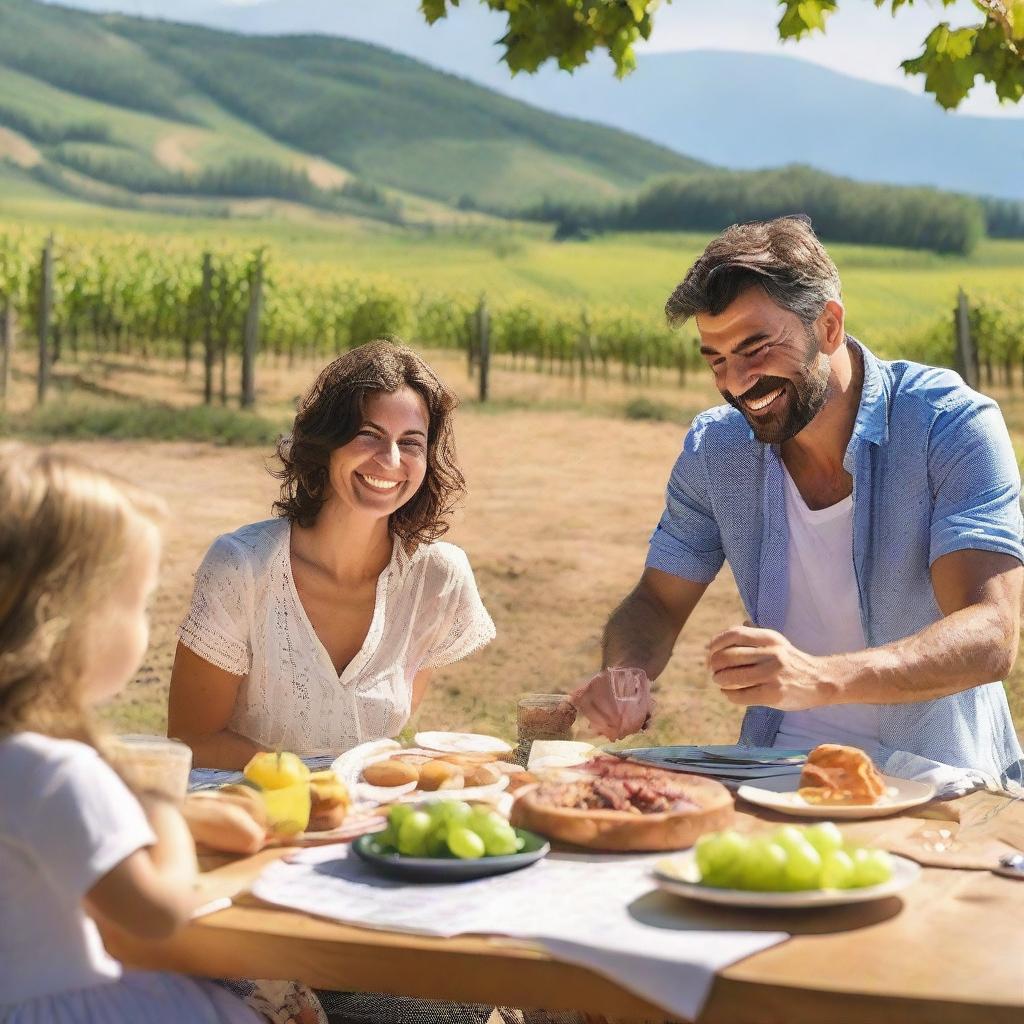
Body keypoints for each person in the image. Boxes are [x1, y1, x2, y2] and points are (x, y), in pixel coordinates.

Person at [571, 216, 1024, 786]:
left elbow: (991, 633)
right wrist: (625, 672)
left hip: (931, 781)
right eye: (716, 359)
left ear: (828, 326)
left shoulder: (949, 426)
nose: (736, 383)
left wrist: (821, 677)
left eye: (756, 348)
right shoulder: (716, 447)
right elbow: (657, 603)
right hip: (771, 775)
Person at [0, 443, 260, 1024]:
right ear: (72, 620)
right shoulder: (55, 769)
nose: (146, 626)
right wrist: (165, 810)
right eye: (139, 604)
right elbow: (155, 913)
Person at [168, 339, 496, 769]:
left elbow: (377, 739)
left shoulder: (437, 578)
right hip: (254, 820)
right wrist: (311, 785)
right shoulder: (241, 567)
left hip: (363, 826)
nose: (390, 459)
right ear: (326, 445)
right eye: (368, 435)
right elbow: (193, 740)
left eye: (411, 442)